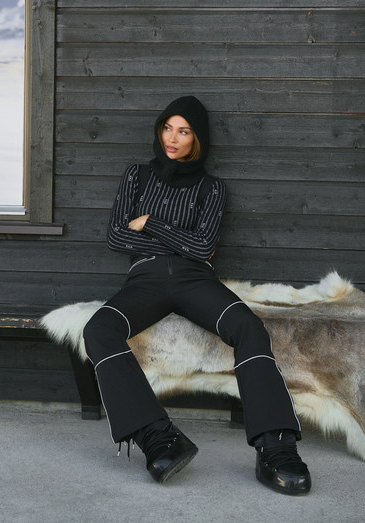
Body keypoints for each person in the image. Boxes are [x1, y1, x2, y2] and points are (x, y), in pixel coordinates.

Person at [83, 96, 311, 495]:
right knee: (98, 330)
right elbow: (116, 236)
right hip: (146, 278)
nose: (172, 138)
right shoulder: (137, 175)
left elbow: (204, 247)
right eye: (167, 128)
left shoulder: (212, 187)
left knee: (249, 327)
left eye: (183, 131)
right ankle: (158, 436)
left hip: (196, 280)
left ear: (197, 139)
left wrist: (150, 222)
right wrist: (179, 240)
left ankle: (276, 447)